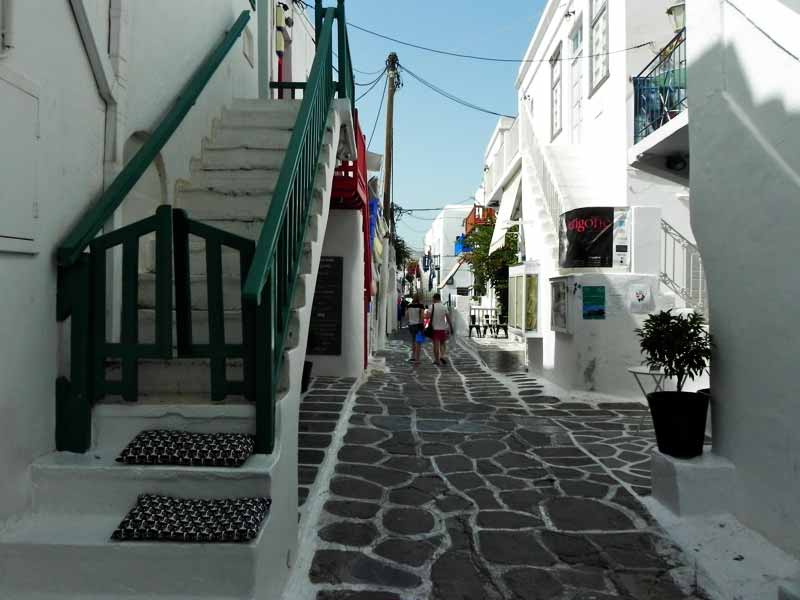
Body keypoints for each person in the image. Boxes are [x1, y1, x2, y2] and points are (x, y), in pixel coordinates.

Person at [430, 293, 452, 366]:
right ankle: (442, 356)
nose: (432, 300)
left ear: (435, 299)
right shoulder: (444, 307)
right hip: (442, 328)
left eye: (433, 299)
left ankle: (437, 360)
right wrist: (450, 326)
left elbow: (428, 317)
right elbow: (448, 318)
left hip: (434, 328)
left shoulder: (431, 306)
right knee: (442, 344)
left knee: (435, 345)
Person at [406, 293, 425, 364]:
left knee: (413, 341)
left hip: (411, 325)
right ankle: (417, 359)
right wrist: (422, 324)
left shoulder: (409, 305)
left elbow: (406, 316)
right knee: (418, 342)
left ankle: (413, 356)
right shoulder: (421, 306)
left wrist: (410, 321)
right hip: (419, 325)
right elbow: (422, 316)